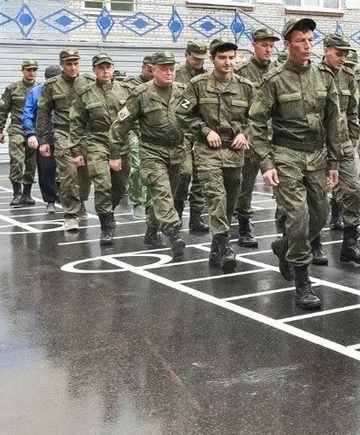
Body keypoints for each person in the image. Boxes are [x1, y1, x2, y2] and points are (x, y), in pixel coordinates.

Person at [249, 17, 349, 310]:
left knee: (321, 213)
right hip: (286, 156)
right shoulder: (274, 80)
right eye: (301, 41)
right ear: (289, 44)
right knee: (298, 216)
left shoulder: (325, 77)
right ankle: (303, 281)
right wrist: (267, 163)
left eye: (310, 40)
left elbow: (334, 122)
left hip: (317, 156)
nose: (307, 46)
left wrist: (335, 161)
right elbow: (256, 123)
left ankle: (286, 247)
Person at [180, 38, 256, 274]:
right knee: (216, 197)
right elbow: (181, 113)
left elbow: (258, 118)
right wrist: (204, 130)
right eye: (222, 58)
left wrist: (245, 134)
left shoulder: (246, 86)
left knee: (231, 200)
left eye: (231, 58)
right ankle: (224, 247)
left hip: (234, 152)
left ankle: (215, 249)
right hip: (207, 151)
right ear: (213, 59)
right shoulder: (197, 84)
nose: (228, 62)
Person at [109, 52, 190, 258]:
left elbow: (193, 118)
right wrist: (115, 153)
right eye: (164, 69)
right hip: (152, 151)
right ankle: (173, 233)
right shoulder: (141, 93)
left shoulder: (183, 91)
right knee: (162, 192)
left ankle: (152, 229)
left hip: (178, 151)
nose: (169, 73)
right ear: (153, 70)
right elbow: (121, 124)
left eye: (172, 69)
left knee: (166, 195)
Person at [320, 34, 360, 266]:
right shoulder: (314, 76)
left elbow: (352, 112)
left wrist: (353, 141)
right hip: (319, 146)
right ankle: (311, 244)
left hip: (344, 146)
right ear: (325, 50)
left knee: (352, 191)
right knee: (318, 197)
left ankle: (350, 244)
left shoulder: (349, 78)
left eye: (345, 55)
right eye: (338, 54)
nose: (342, 59)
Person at [68, 53, 130, 245]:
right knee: (103, 185)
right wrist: (76, 151)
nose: (105, 71)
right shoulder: (85, 93)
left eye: (108, 67)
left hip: (121, 143)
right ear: (94, 70)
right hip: (96, 142)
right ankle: (107, 227)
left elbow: (134, 118)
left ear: (113, 68)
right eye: (101, 67)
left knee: (119, 187)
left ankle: (108, 210)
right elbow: (76, 122)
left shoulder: (126, 90)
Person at [234, 27, 281, 248]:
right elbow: (237, 107)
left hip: (277, 138)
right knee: (246, 185)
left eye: (272, 46)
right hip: (252, 137)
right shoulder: (242, 72)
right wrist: (243, 133)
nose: (268, 50)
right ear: (254, 45)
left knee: (283, 185)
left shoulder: (279, 70)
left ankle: (285, 229)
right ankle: (243, 225)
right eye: (264, 45)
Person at [37, 50, 92, 232]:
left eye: (76, 63)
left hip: (85, 134)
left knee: (84, 176)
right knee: (69, 174)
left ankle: (81, 202)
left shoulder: (88, 82)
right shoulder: (52, 85)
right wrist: (43, 140)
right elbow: (43, 113)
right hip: (63, 133)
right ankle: (70, 215)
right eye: (69, 64)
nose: (73, 67)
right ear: (62, 64)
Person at [176, 40, 210, 234]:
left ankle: (196, 217)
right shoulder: (177, 75)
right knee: (185, 173)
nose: (199, 62)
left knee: (201, 177)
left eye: (202, 58)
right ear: (187, 55)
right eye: (196, 58)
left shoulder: (207, 76)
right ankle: (177, 213)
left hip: (203, 133)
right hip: (184, 132)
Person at [0, 59, 39, 206]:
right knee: (17, 161)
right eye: (28, 70)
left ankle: (27, 193)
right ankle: (16, 193)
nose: (31, 73)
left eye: (33, 70)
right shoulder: (12, 88)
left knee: (31, 163)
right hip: (17, 130)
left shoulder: (40, 89)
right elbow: (2, 110)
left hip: (33, 131)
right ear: (23, 71)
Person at [23, 65, 61, 213]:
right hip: (45, 136)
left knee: (69, 169)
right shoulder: (36, 92)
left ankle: (65, 196)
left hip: (66, 135)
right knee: (46, 170)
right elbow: (27, 115)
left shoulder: (68, 90)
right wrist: (31, 134)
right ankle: (50, 200)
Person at [124, 55, 155, 221]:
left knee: (153, 169)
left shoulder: (160, 85)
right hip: (134, 131)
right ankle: (137, 202)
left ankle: (150, 202)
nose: (152, 73)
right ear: (143, 67)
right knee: (137, 168)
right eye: (149, 69)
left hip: (154, 132)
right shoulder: (130, 85)